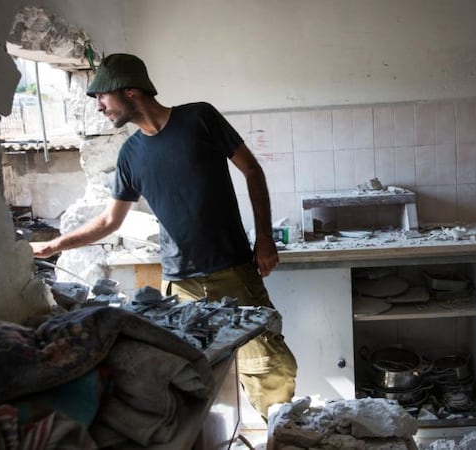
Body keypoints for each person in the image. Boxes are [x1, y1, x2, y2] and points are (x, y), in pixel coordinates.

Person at [30, 53, 297, 419]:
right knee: (190, 380)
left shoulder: (199, 118)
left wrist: (264, 237)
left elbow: (252, 169)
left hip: (233, 272)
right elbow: (110, 221)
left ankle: (280, 433)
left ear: (130, 90)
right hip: (179, 287)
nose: (98, 106)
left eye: (102, 96)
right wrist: (55, 245)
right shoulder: (129, 155)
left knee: (269, 367)